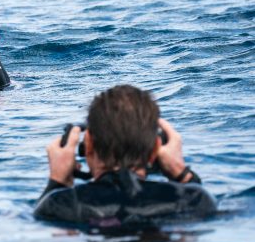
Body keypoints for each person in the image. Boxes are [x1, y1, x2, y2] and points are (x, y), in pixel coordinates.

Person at [33, 85, 217, 226]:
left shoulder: (60, 204)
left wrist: (57, 181)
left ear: (88, 146)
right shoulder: (194, 199)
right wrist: (182, 174)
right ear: (156, 150)